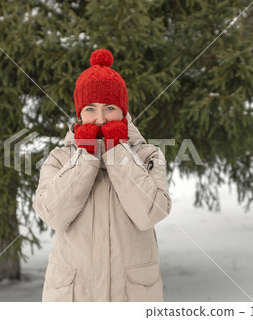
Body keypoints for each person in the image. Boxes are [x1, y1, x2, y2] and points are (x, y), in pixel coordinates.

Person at [33, 48, 172, 302]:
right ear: (79, 113)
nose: (99, 119)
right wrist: (85, 157)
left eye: (109, 108)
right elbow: (52, 215)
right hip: (73, 297)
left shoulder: (148, 156)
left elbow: (150, 214)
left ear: (122, 111)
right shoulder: (59, 159)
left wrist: (117, 152)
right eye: (90, 108)